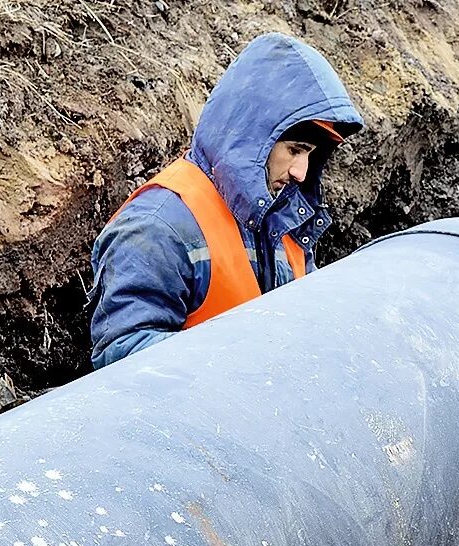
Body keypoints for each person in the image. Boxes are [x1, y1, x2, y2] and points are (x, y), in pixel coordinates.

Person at [88, 33, 364, 369]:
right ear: (255, 137)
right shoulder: (156, 227)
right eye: (294, 150)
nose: (300, 172)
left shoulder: (283, 217)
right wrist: (245, 361)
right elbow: (122, 358)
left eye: (309, 155)